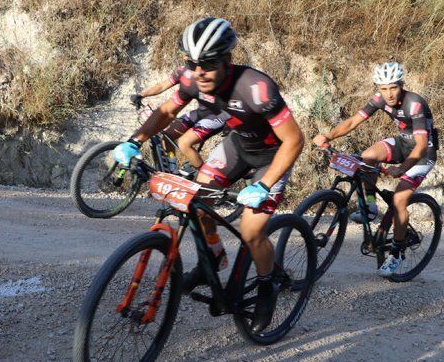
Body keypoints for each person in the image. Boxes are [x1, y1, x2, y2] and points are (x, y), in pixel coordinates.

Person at [112, 17, 305, 332]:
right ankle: (212, 259)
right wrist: (134, 142)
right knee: (195, 201)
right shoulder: (193, 80)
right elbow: (166, 113)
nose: (199, 71)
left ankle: (268, 286)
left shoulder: (256, 88)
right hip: (238, 147)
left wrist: (265, 185)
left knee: (251, 230)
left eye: (208, 64)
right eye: (192, 63)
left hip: (272, 158)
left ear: (227, 60)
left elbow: (294, 140)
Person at [312, 62, 437, 277]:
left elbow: (421, 145)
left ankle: (396, 254)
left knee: (399, 200)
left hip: (423, 154)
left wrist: (401, 169)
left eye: (393, 87)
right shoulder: (380, 98)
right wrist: (328, 136)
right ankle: (370, 207)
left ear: (402, 85)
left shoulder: (415, 105)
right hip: (403, 144)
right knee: (367, 158)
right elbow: (353, 121)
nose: (388, 94)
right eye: (383, 88)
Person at [130, 67, 229, 171]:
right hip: (200, 112)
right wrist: (141, 95)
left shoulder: (208, 71)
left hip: (218, 115)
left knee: (184, 143)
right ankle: (173, 169)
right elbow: (162, 85)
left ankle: (202, 178)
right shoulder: (183, 71)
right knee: (168, 136)